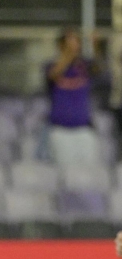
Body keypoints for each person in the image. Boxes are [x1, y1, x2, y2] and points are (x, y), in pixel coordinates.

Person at [44, 27, 102, 166]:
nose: (75, 45)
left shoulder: (84, 66)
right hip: (60, 131)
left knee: (89, 172)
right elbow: (53, 75)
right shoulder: (50, 65)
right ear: (61, 45)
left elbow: (98, 69)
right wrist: (68, 54)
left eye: (76, 41)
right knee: (65, 172)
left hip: (84, 130)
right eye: (70, 41)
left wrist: (96, 47)